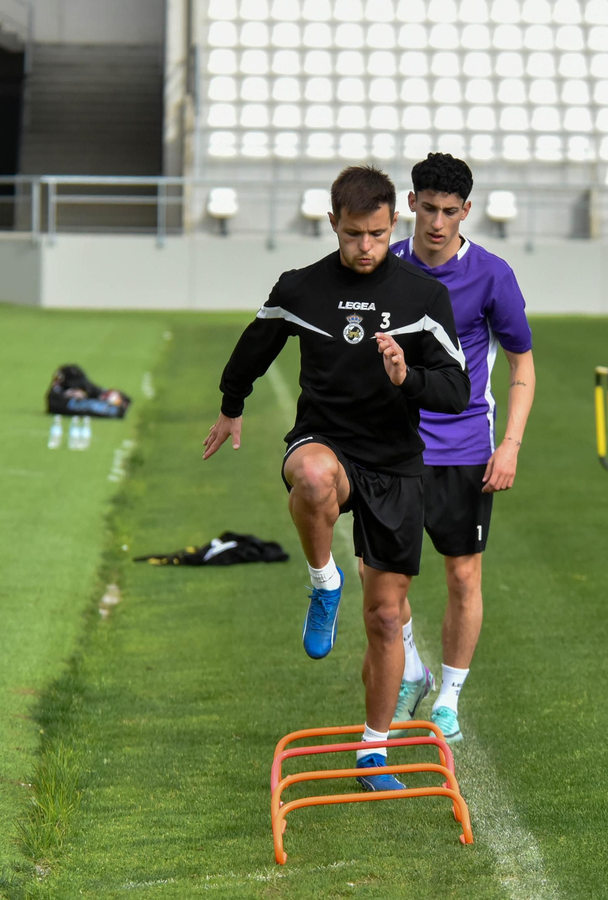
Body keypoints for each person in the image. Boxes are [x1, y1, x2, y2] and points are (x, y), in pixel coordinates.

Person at [202, 166, 470, 791]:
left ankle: (373, 752)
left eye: (377, 234)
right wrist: (231, 403)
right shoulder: (301, 287)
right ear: (333, 224)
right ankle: (324, 581)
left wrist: (409, 377)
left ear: (392, 224)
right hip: (325, 442)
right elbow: (254, 346)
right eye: (353, 234)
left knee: (384, 617)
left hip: (395, 463)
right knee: (314, 480)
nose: (366, 246)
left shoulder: (423, 296)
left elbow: (457, 389)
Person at [384, 153, 537, 744]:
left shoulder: (492, 276)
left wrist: (511, 445)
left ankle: (447, 694)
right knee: (384, 579)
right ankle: (412, 668)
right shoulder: (386, 266)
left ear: (466, 211)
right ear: (412, 206)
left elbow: (523, 364)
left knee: (462, 577)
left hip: (467, 444)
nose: (438, 222)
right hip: (393, 447)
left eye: (450, 212)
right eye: (428, 208)